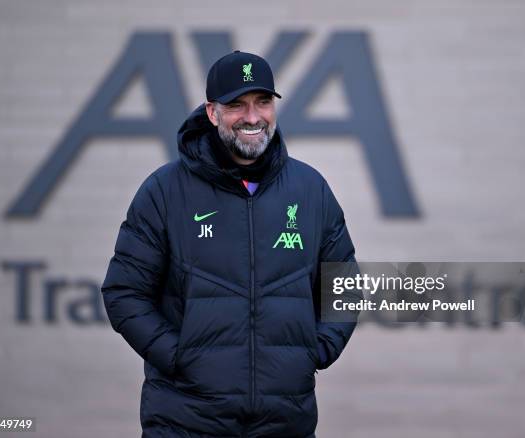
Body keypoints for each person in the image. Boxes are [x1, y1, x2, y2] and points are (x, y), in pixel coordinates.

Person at [101, 50, 358, 437]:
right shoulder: (165, 191)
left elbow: (344, 284)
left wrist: (316, 351)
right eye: (236, 104)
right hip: (185, 422)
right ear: (211, 112)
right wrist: (179, 356)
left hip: (285, 424)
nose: (253, 117)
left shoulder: (310, 190)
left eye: (263, 102)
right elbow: (124, 292)